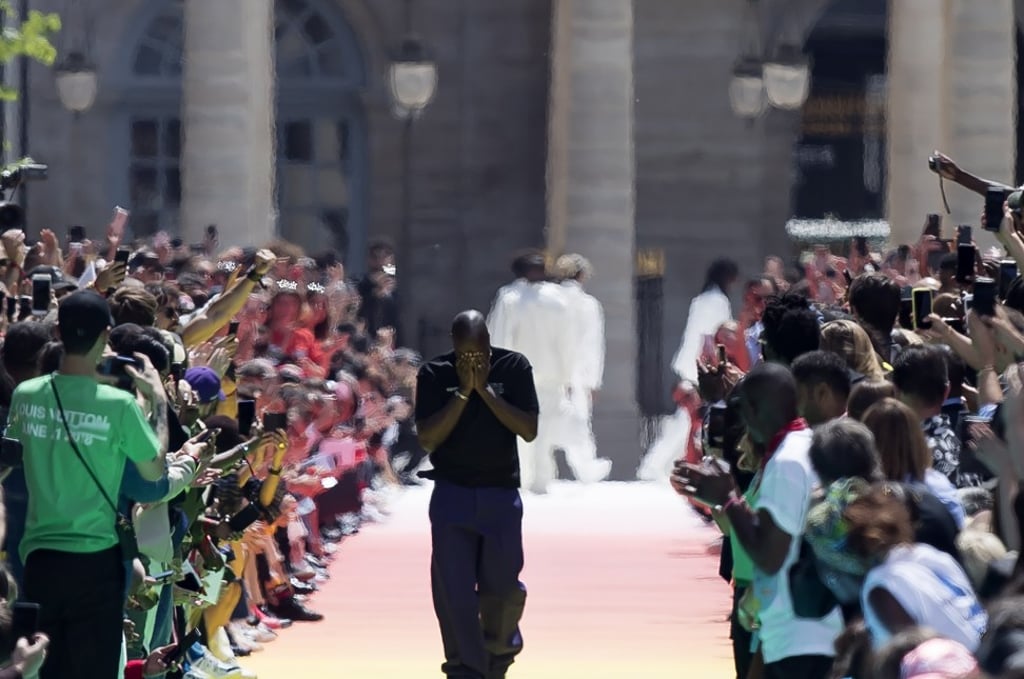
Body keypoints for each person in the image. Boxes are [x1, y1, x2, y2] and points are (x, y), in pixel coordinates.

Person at [7, 290, 168, 679]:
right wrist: (158, 401)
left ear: (59, 331)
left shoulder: (25, 395)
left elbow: (9, 463)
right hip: (96, 562)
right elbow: (154, 472)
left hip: (39, 560)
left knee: (44, 668)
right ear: (106, 335)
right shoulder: (119, 405)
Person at [673, 363, 843, 679]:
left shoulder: (788, 461)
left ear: (755, 408)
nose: (743, 423)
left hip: (798, 635)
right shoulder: (798, 447)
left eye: (745, 410)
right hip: (789, 628)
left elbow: (770, 556)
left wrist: (728, 499)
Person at [415, 310, 539, 679]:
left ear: (489, 343)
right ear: (454, 347)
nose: (475, 362)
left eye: (481, 354)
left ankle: (498, 656)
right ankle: (464, 667)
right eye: (466, 355)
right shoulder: (435, 374)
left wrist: (485, 390)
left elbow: (529, 429)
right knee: (453, 591)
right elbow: (428, 437)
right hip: (452, 493)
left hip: (500, 493)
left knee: (502, 587)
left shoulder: (513, 367)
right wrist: (465, 393)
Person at [484, 254, 571, 494]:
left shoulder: (511, 297)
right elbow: (567, 341)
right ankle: (537, 477)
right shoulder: (556, 298)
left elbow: (500, 336)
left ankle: (528, 475)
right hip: (543, 371)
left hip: (522, 371)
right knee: (540, 425)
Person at [554, 253, 611, 483]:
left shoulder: (551, 300)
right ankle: (586, 468)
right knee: (579, 422)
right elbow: (593, 344)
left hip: (550, 369)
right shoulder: (588, 305)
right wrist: (594, 381)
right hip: (578, 371)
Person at [672, 258, 737, 382]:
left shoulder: (700, 299)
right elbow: (715, 333)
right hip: (704, 361)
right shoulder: (718, 300)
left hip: (693, 360)